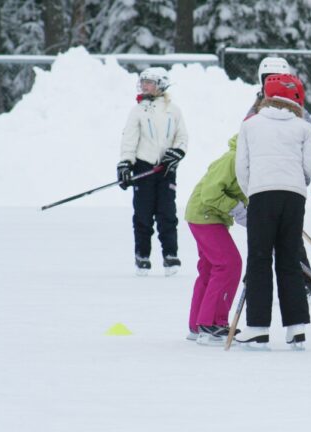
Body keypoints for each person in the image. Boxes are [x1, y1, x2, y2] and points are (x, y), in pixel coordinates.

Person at [234, 74, 311, 349]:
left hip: (261, 194)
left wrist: (253, 191)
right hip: (293, 197)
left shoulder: (251, 124)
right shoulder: (303, 126)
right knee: (290, 260)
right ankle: (296, 329)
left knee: (259, 259)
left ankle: (258, 328)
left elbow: (241, 168)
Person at [248, 56, 311, 296]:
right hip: (263, 185)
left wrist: (301, 178)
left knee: (291, 241)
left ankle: (303, 281)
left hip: (290, 187)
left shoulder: (299, 112)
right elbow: (246, 147)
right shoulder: (254, 112)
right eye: (268, 80)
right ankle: (256, 280)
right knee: (261, 240)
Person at [117, 67, 188, 276]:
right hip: (144, 168)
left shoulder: (173, 110)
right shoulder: (138, 110)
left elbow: (182, 137)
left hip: (165, 170)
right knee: (143, 215)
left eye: (149, 82)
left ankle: (170, 256)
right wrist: (125, 164)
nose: (145, 85)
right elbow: (129, 139)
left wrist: (176, 153)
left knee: (167, 214)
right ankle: (142, 256)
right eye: (143, 81)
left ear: (161, 85)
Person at [183, 136, 247, 346]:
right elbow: (210, 193)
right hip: (205, 214)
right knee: (229, 263)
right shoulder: (233, 159)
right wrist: (237, 208)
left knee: (210, 267)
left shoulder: (252, 160)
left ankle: (197, 325)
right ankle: (211, 324)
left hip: (209, 215)